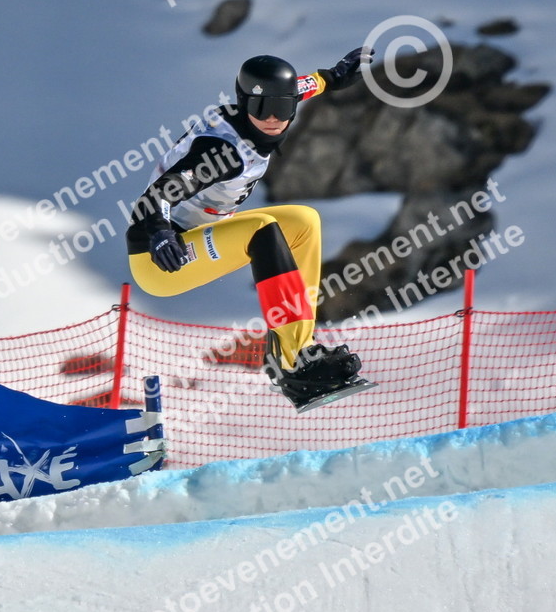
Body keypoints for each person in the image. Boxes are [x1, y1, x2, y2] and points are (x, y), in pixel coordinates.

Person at [125, 48, 372, 409]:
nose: (272, 119)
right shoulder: (222, 153)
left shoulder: (274, 107)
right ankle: (293, 364)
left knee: (304, 222)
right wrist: (160, 231)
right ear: (244, 104)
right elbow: (158, 194)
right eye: (261, 108)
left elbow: (301, 87)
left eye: (282, 109)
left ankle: (298, 347)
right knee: (262, 228)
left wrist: (332, 78)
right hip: (160, 257)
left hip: (199, 234)